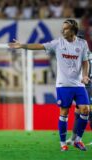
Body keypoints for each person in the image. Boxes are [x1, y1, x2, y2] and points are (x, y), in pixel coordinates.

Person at [9, 19, 90, 151]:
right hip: (63, 85)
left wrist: (85, 75)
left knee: (86, 110)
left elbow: (85, 61)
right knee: (64, 113)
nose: (63, 30)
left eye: (66, 28)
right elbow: (40, 46)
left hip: (78, 84)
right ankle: (63, 143)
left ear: (73, 30)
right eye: (62, 28)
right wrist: (22, 45)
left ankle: (78, 140)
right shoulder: (58, 43)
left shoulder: (82, 43)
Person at [66, 52, 92, 145]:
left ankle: (75, 138)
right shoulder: (81, 54)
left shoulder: (84, 55)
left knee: (89, 113)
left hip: (89, 87)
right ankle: (73, 138)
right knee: (77, 113)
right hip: (81, 87)